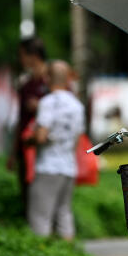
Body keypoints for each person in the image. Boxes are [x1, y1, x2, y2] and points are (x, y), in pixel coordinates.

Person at [24, 60, 85, 240]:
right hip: (68, 167)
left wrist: (29, 139)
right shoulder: (77, 106)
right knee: (64, 215)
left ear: (47, 78)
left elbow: (42, 136)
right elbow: (77, 141)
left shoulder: (47, 103)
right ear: (67, 79)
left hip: (48, 167)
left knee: (40, 219)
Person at [12, 37, 49, 212]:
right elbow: (20, 120)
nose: (20, 60)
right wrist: (14, 152)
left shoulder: (52, 81)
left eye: (22, 55)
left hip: (46, 149)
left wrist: (40, 106)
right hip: (26, 147)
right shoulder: (26, 84)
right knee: (27, 196)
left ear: (33, 55)